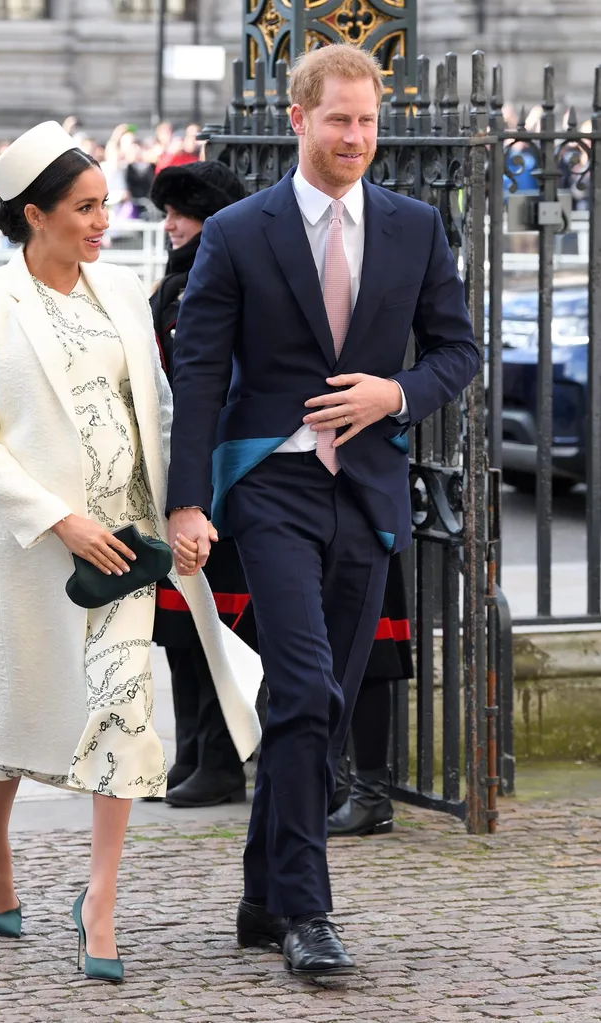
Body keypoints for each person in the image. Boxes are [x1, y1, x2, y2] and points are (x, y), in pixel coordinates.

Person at [165, 42, 479, 978]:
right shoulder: (239, 232)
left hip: (370, 483)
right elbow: (199, 372)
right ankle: (308, 911)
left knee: (322, 704)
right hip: (271, 484)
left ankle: (262, 892)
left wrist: (396, 394)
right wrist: (187, 499)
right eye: (339, 119)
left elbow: (456, 354)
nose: (356, 137)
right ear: (297, 120)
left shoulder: (417, 226)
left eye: (369, 121)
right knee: (303, 687)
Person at [0, 121, 261, 983]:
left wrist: (180, 511)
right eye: (84, 209)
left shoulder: (120, 291)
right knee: (13, 723)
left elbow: (157, 406)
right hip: (19, 550)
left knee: (123, 712)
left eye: (103, 206)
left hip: (125, 549)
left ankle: (100, 900)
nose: (102, 222)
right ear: (34, 215)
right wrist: (58, 520)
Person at [149, 160, 253, 808]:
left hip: (219, 474)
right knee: (178, 630)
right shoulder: (170, 286)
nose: (171, 225)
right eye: (167, 213)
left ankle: (221, 759)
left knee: (216, 625)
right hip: (177, 469)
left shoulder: (224, 280)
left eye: (183, 213)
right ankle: (191, 752)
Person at [327, 551, 414, 836]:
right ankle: (333, 785)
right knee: (323, 651)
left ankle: (371, 796)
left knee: (368, 652)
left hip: (365, 527)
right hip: (318, 528)